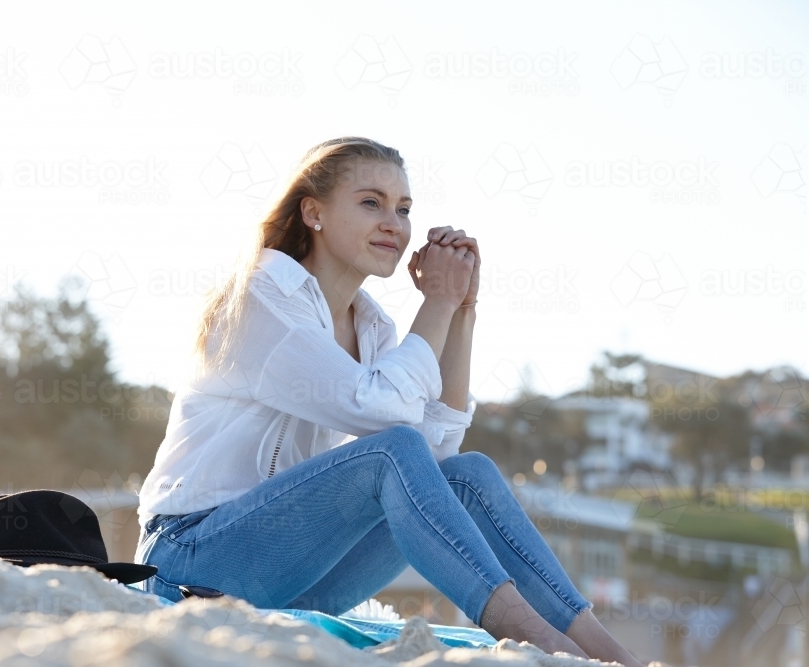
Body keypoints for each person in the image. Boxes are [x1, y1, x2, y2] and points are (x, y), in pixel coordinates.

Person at [134, 136, 645, 666]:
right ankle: (538, 639)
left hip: (290, 579)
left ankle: (612, 654)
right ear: (314, 212)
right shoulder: (264, 296)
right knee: (389, 452)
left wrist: (460, 310)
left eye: (403, 210)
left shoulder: (373, 325)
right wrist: (437, 302)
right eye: (370, 203)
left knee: (466, 475)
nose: (394, 224)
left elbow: (436, 447)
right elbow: (381, 417)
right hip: (189, 561)